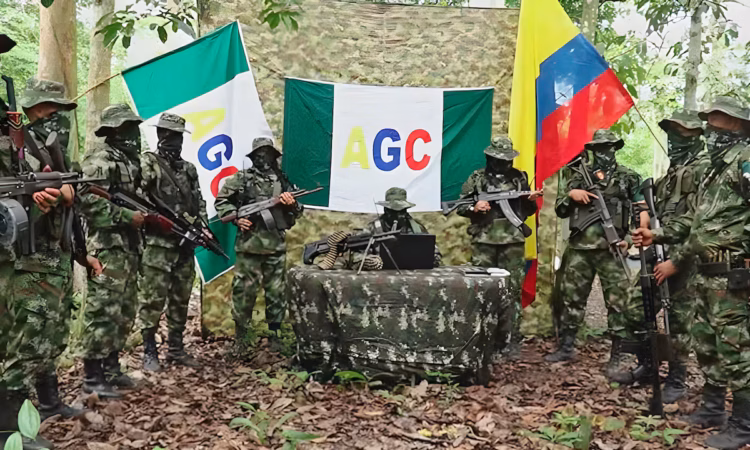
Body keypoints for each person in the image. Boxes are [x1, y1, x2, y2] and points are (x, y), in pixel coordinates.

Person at [633, 96, 750, 450]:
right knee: (707, 344)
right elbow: (697, 224)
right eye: (709, 121)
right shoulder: (715, 168)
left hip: (733, 273)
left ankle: (744, 424)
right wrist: (658, 235)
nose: (711, 128)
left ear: (738, 125)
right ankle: (713, 409)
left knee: (737, 350)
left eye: (719, 121)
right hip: (706, 272)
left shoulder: (745, 160)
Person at [611, 110, 706, 399]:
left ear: (696, 135)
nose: (674, 138)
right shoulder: (671, 174)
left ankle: (677, 379)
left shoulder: (703, 169)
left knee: (678, 321)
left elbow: (699, 221)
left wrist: (675, 261)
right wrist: (643, 227)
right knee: (636, 309)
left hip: (685, 259)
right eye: (671, 132)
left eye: (682, 132)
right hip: (659, 253)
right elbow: (655, 212)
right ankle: (648, 365)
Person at [0, 38, 64, 450]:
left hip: (13, 249)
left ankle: (10, 430)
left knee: (18, 340)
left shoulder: (11, 123)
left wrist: (39, 194)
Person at [546, 129, 647, 373]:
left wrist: (631, 239)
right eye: (599, 148)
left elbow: (641, 210)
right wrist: (571, 194)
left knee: (618, 303)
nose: (604, 152)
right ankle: (567, 346)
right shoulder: (577, 177)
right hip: (579, 249)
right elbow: (560, 209)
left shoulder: (628, 177)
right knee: (572, 299)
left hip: (613, 249)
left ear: (615, 148)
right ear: (592, 151)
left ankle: (619, 352)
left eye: (608, 147)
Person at [79, 104, 145, 398]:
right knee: (103, 310)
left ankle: (111, 368)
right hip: (107, 248)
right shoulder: (100, 160)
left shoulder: (130, 161)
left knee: (124, 310)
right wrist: (125, 216)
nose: (134, 133)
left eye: (134, 127)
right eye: (128, 127)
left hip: (129, 247)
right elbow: (85, 199)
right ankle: (93, 377)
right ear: (114, 130)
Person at [215, 137, 302, 358]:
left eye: (268, 154)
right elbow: (221, 201)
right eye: (260, 154)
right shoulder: (242, 179)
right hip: (249, 246)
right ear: (253, 157)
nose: (264, 158)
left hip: (275, 246)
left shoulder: (282, 181)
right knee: (244, 294)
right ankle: (241, 338)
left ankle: (275, 336)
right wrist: (236, 219)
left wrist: (292, 203)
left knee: (276, 294)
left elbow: (298, 211)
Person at [457, 136, 541, 358]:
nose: (504, 163)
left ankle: (510, 340)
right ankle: (480, 339)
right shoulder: (477, 178)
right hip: (484, 242)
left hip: (512, 243)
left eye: (507, 159)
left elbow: (528, 211)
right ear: (490, 157)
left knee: (511, 291)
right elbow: (460, 206)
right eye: (499, 159)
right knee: (480, 292)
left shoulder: (519, 178)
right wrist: (475, 207)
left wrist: (530, 200)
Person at [137, 113, 206, 372]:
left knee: (181, 297)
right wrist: (155, 219)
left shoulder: (188, 169)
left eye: (177, 135)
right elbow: (139, 197)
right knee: (152, 299)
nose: (173, 139)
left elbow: (199, 201)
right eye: (167, 134)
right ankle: (149, 351)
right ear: (159, 135)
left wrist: (201, 227)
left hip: (184, 244)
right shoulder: (148, 163)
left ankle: (176, 349)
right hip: (157, 245)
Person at [367, 186, 441, 266]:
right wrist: (370, 260)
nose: (398, 216)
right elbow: (359, 254)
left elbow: (434, 253)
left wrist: (430, 258)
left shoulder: (417, 229)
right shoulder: (373, 228)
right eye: (393, 212)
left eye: (402, 211)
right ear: (386, 210)